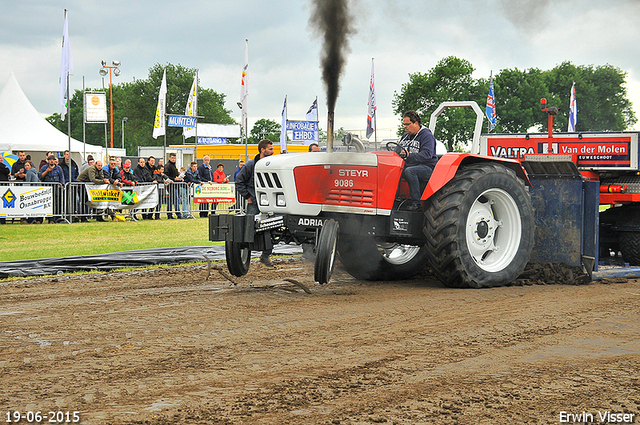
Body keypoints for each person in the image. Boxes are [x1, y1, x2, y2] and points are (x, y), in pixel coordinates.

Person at [235, 139, 275, 267]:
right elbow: (239, 182)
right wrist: (248, 196)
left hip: (271, 203)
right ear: (262, 150)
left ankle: (265, 255)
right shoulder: (250, 165)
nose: (272, 151)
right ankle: (244, 258)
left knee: (272, 227)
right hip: (254, 202)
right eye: (270, 149)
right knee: (248, 229)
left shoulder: (274, 164)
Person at [397, 110, 438, 211]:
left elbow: (427, 155)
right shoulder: (404, 137)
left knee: (410, 171)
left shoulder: (426, 136)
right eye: (404, 124)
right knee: (393, 170)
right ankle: (395, 199)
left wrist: (409, 155)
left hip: (427, 168)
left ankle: (416, 203)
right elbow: (397, 151)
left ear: (416, 123)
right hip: (410, 165)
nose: (405, 127)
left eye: (407, 124)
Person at [38, 155, 66, 222]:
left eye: (53, 159)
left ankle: (53, 219)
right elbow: (40, 177)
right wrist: (47, 171)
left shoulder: (58, 168)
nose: (52, 161)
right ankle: (40, 219)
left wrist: (61, 184)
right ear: (48, 160)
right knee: (45, 203)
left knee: (55, 203)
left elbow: (62, 177)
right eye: (50, 159)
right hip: (46, 188)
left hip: (55, 188)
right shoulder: (44, 167)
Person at [164, 153, 183, 219]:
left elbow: (175, 175)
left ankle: (169, 214)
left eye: (174, 158)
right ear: (169, 158)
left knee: (171, 200)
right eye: (172, 158)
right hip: (171, 184)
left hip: (175, 185)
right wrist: (174, 179)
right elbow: (166, 176)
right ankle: (178, 214)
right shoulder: (167, 166)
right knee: (176, 199)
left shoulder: (174, 166)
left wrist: (180, 179)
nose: (173, 159)